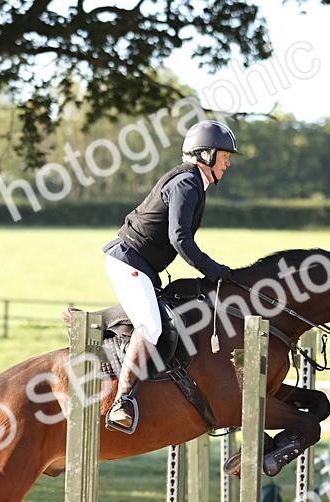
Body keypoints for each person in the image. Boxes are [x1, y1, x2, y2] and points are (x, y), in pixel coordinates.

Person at [101, 119, 239, 432]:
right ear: (206, 154)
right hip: (128, 261)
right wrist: (215, 271)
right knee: (150, 327)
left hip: (142, 266)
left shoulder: (194, 183)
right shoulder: (187, 183)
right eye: (224, 155)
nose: (228, 162)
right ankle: (122, 401)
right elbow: (180, 238)